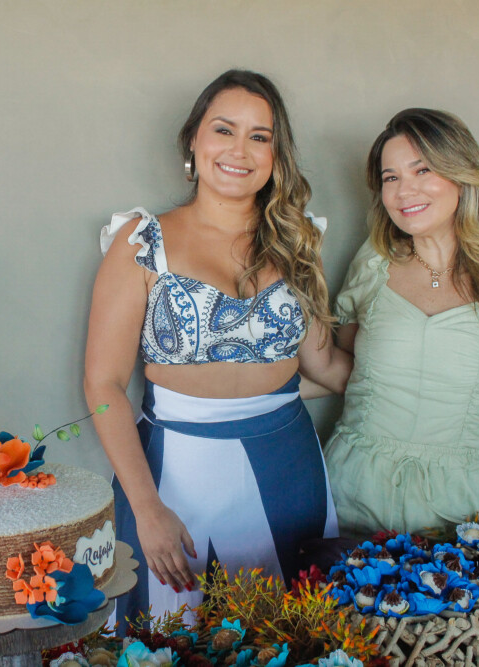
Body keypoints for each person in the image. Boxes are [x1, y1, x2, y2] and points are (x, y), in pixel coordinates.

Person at [84, 70, 351, 627]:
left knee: (292, 637)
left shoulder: (298, 242)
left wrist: (421, 372)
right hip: (176, 478)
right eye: (224, 129)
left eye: (260, 136)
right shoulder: (142, 241)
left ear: (276, 155)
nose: (239, 150)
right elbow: (102, 383)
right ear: (193, 140)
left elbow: (324, 364)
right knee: (171, 637)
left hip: (290, 468)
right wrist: (146, 508)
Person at [322, 108, 479, 537]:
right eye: (391, 177)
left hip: (458, 503)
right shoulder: (372, 265)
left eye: (423, 170)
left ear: (462, 174)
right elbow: (341, 367)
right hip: (350, 488)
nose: (404, 190)